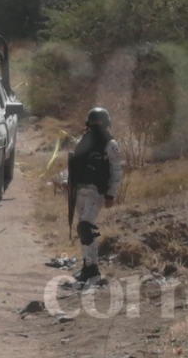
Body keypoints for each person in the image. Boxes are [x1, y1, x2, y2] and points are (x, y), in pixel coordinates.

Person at [67, 107, 123, 284]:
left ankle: (93, 270)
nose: (95, 127)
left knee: (86, 227)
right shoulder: (83, 141)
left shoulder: (110, 144)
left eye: (98, 123)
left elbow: (116, 171)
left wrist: (111, 195)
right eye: (92, 124)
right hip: (79, 190)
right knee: (83, 231)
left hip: (96, 191)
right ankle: (87, 267)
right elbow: (74, 165)